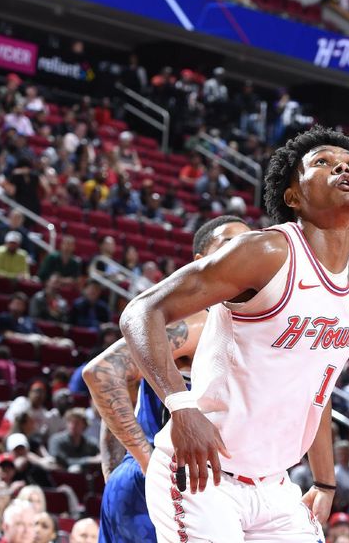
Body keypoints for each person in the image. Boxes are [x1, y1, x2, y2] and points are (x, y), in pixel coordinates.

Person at [115, 127, 349, 540]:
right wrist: (180, 406)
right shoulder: (266, 253)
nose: (343, 166)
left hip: (275, 484)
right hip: (205, 476)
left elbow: (317, 386)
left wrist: (325, 482)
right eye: (322, 162)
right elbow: (141, 311)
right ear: (293, 197)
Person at [85, 216, 251, 543]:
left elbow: (125, 394)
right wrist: (147, 466)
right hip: (167, 484)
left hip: (199, 489)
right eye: (229, 245)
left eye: (248, 245)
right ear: (203, 263)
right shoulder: (198, 322)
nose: (243, 254)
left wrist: (116, 470)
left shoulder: (242, 326)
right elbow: (102, 374)